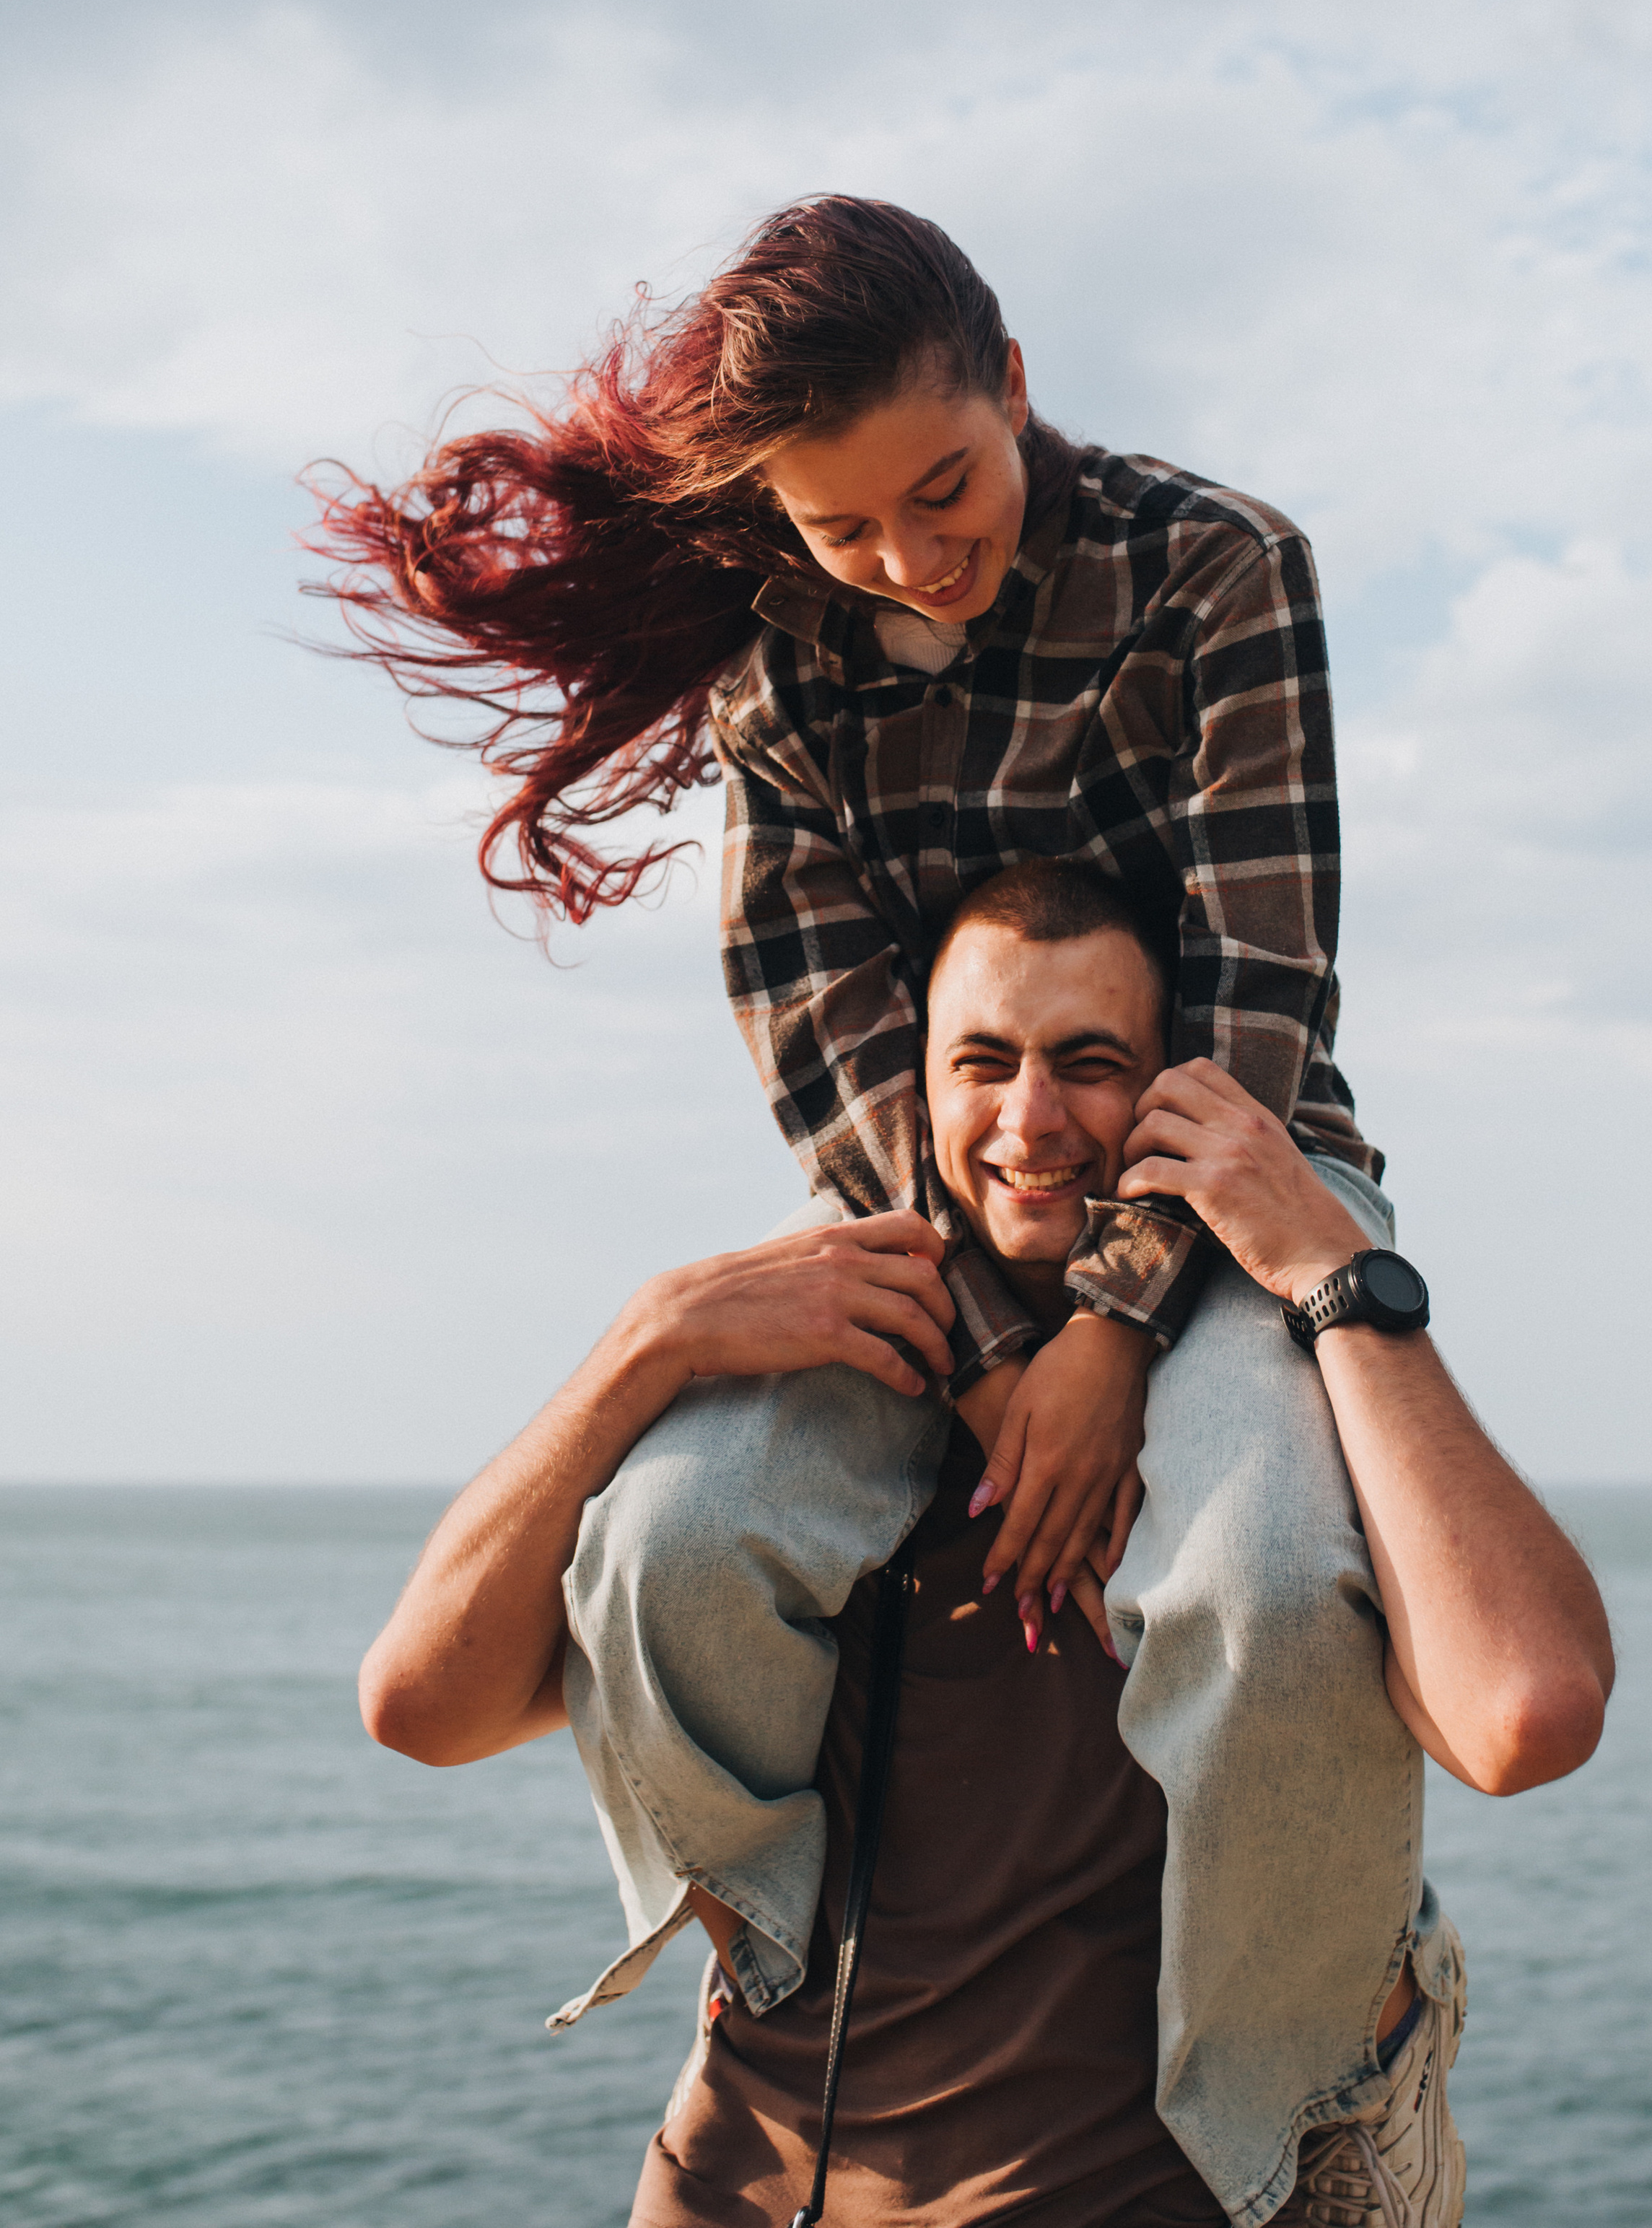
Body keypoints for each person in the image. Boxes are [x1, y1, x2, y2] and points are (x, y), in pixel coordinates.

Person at [309, 193, 1503, 2204]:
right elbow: (817, 1022)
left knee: (1276, 1581)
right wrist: (975, 1341)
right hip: (936, 1194)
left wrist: (1116, 1329)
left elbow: (1263, 991)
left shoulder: (1215, 568)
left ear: (1017, 383)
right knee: (672, 1541)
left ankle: (1278, 2080)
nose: (905, 560)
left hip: (1228, 1166)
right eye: (844, 527)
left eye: (942, 492)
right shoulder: (785, 655)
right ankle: (763, 1951)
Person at [359, 860, 1614, 2227]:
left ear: (1177, 1082)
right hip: (754, 2182)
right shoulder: (797, 1421)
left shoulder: (1282, 1401)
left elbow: (1525, 1713)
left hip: (1193, 2191)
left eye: (1092, 1064)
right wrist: (639, 1346)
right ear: (916, 1086)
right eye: (983, 1062)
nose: (1032, 1119)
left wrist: (1331, 1269)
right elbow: (422, 1705)